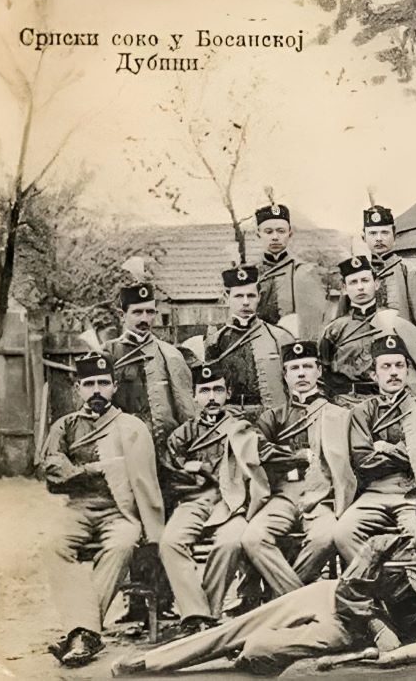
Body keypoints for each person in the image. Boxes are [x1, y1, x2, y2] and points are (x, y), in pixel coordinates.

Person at [111, 484, 416, 677]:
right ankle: (153, 662)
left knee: (256, 648)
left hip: (352, 634)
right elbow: (352, 588)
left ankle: (240, 653)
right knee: (239, 625)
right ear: (414, 520)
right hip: (332, 598)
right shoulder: (386, 544)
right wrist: (375, 620)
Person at [41, 352, 166, 668]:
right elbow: (52, 467)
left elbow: (145, 477)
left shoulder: (131, 426)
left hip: (119, 510)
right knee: (52, 545)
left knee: (123, 543)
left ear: (113, 387)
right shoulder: (65, 426)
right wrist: (91, 470)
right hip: (79, 507)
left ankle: (80, 633)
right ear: (78, 388)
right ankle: (85, 633)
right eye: (89, 384)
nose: (96, 390)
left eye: (103, 383)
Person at [158, 364, 270, 631]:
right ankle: (197, 613)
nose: (211, 397)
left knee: (231, 543)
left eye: (218, 390)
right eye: (204, 391)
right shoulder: (182, 435)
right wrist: (191, 473)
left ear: (228, 393)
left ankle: (204, 615)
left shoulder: (243, 429)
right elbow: (171, 474)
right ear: (194, 396)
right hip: (195, 500)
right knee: (170, 542)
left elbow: (260, 463)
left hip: (233, 502)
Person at [243, 341, 354, 600]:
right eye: (294, 368)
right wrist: (295, 457)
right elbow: (260, 452)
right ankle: (298, 600)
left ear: (318, 371)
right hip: (283, 494)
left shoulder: (339, 414)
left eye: (307, 366)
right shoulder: (273, 417)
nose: (301, 373)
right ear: (285, 375)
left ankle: (280, 600)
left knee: (325, 538)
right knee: (253, 538)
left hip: (322, 494)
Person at [332, 335, 416, 563]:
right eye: (386, 366)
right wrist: (410, 452)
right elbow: (364, 462)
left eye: (399, 365)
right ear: (374, 374)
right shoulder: (362, 412)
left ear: (407, 371)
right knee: (343, 533)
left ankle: (408, 588)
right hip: (375, 492)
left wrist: (387, 449)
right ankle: (377, 584)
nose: (393, 372)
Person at [320, 254, 416, 403]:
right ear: (344, 288)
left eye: (365, 280)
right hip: (346, 402)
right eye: (353, 282)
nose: (360, 287)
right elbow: (323, 371)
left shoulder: (395, 323)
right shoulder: (334, 330)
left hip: (389, 401)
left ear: (377, 283)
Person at [103, 282, 194, 452]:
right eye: (137, 312)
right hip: (122, 448)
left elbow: (186, 410)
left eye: (150, 312)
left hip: (166, 448)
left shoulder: (170, 354)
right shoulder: (108, 353)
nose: (145, 319)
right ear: (123, 315)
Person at [204, 266, 294, 417]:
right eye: (239, 296)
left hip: (271, 417)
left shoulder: (279, 337)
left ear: (259, 296)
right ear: (227, 297)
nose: (245, 302)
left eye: (251, 296)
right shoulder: (215, 341)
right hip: (229, 418)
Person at [360, 204, 416, 335]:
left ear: (395, 236)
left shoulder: (412, 273)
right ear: (363, 238)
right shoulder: (358, 277)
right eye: (372, 233)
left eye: (385, 232)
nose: (379, 238)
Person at [254, 202, 327, 339]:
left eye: (281, 231)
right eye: (268, 232)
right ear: (258, 234)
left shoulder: (305, 271)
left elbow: (316, 318)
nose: (275, 237)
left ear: (290, 233)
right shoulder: (252, 274)